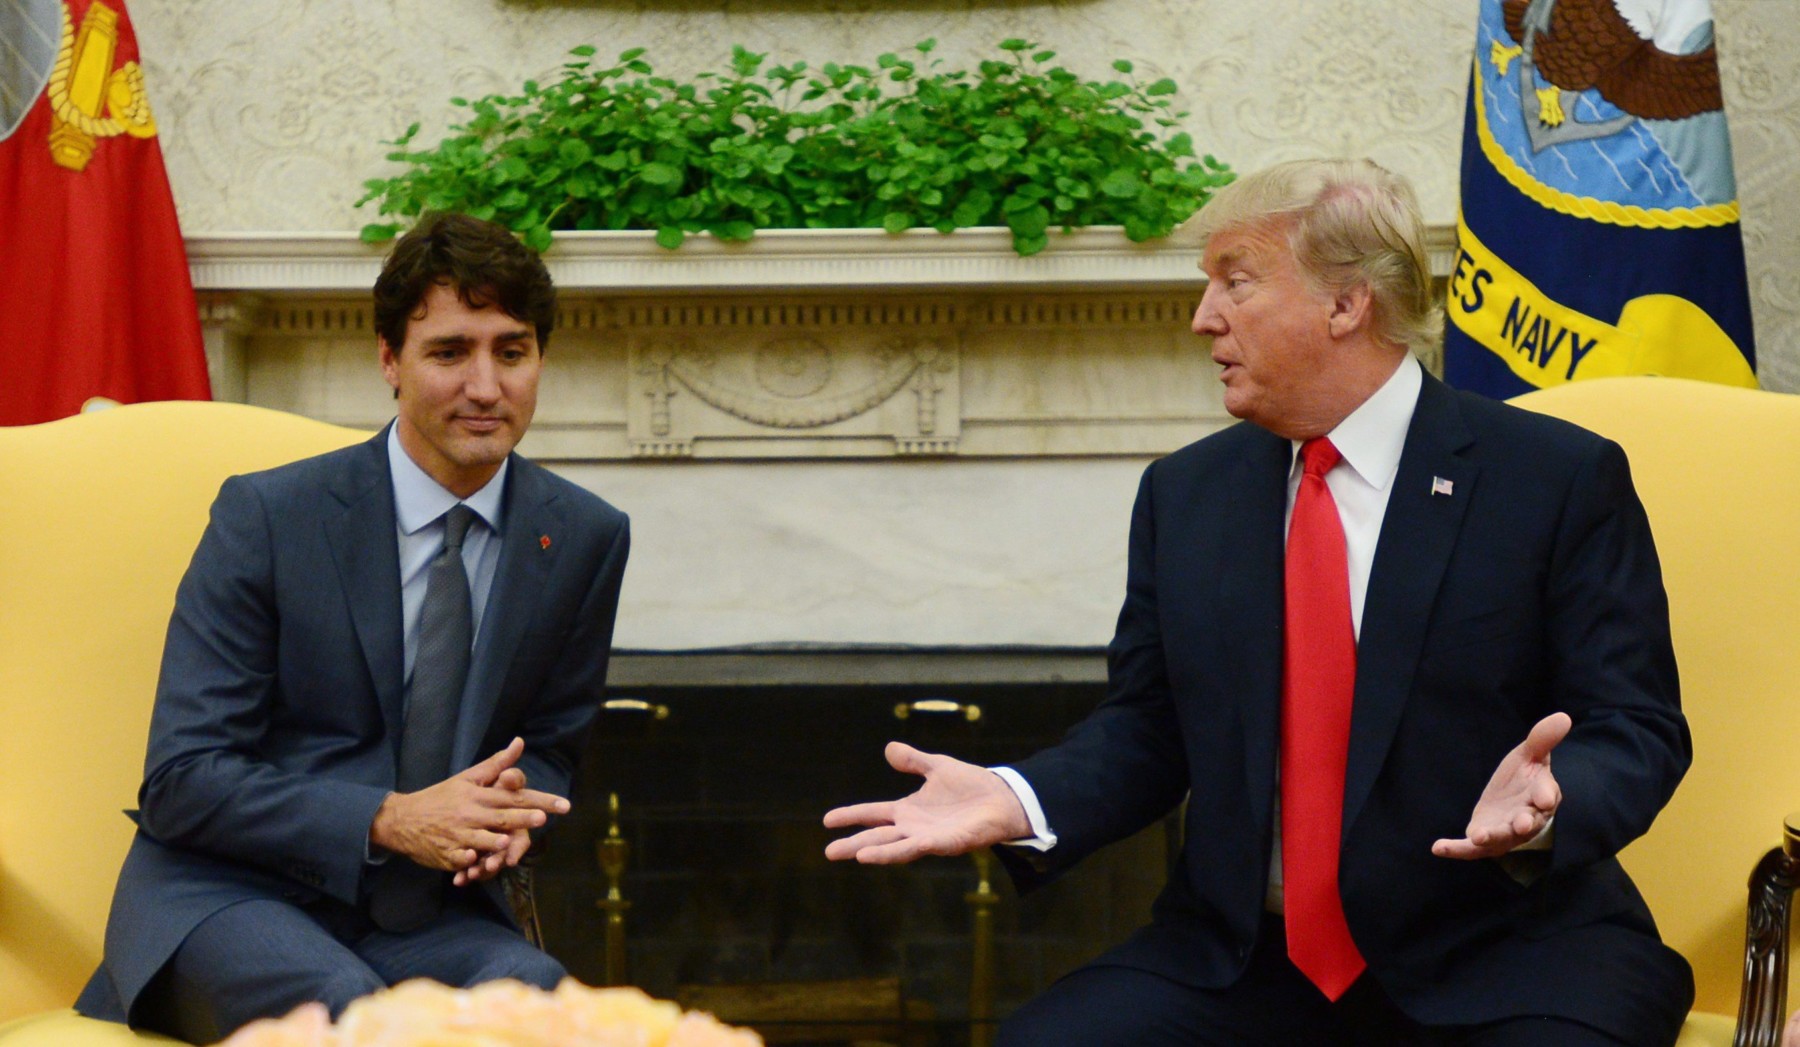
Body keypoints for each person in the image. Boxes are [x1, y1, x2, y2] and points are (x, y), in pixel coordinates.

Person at [824, 159, 1693, 1045]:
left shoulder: (1553, 479)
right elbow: (1150, 728)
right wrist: (1022, 797)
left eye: (1234, 281)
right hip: (1245, 962)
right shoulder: (1187, 495)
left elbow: (1636, 724)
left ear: (1347, 304)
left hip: (1508, 953)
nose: (1203, 317)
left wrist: (1554, 801)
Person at [75, 213, 632, 1042]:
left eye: (510, 351)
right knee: (346, 1012)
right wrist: (388, 818)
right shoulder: (268, 515)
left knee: (540, 1001)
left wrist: (509, 814)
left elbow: (552, 743)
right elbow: (183, 778)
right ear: (389, 360)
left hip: (426, 917)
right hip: (229, 896)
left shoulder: (585, 535)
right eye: (450, 352)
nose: (486, 386)